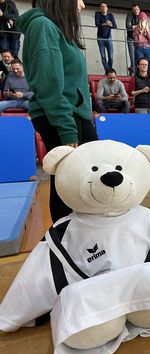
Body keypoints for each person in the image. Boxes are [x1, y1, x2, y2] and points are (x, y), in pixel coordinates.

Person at [18, 0, 98, 222]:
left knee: (83, 179)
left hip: (73, 114)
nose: (81, 4)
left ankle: (80, 240)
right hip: (63, 116)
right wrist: (67, 129)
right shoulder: (42, 25)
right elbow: (49, 85)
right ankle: (66, 242)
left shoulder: (56, 29)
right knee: (68, 184)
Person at [94, 2, 116, 74]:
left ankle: (108, 72)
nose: (103, 8)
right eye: (102, 6)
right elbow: (97, 24)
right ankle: (109, 72)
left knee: (111, 57)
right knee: (103, 57)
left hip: (108, 37)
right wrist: (105, 24)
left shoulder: (110, 15)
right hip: (100, 38)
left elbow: (115, 26)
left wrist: (110, 24)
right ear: (100, 8)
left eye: (105, 6)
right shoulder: (97, 14)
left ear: (107, 8)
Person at [133, 12, 150, 76]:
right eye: (141, 19)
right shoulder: (136, 29)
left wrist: (147, 32)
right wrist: (140, 33)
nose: (143, 21)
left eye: (144, 20)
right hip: (139, 48)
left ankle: (149, 78)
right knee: (140, 64)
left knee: (149, 63)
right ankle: (139, 79)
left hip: (148, 48)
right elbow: (136, 41)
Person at [125, 4, 140, 75]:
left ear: (139, 9)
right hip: (131, 38)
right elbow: (128, 26)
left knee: (138, 57)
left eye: (137, 9)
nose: (136, 11)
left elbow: (143, 27)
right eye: (134, 10)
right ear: (132, 10)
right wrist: (137, 26)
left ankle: (132, 69)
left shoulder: (141, 15)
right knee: (132, 57)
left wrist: (133, 26)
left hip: (138, 39)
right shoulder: (129, 15)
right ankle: (134, 73)